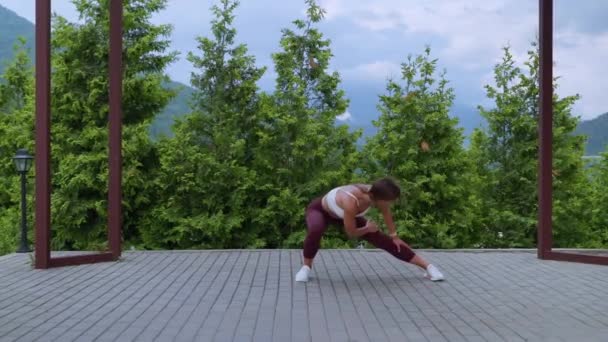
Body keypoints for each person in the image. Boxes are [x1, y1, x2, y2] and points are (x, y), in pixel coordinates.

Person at [295, 177, 445, 282]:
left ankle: (429, 268)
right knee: (316, 229)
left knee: (383, 239)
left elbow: (386, 213)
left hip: (348, 216)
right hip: (320, 210)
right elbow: (351, 233)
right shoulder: (350, 200)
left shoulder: (376, 193)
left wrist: (395, 236)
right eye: (388, 202)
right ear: (378, 198)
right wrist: (367, 229)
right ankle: (306, 268)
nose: (389, 205)